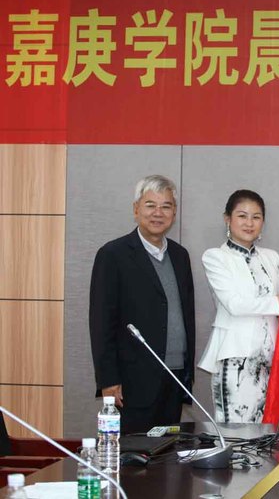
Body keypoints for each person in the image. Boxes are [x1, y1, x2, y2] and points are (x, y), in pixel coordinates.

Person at [89, 175, 195, 434]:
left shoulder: (180, 256)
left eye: (166, 206)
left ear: (174, 212)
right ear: (136, 209)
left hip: (175, 377)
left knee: (170, 453)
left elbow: (186, 316)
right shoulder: (113, 255)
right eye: (150, 205)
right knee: (134, 454)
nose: (158, 213)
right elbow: (101, 323)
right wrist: (108, 380)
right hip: (131, 383)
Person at [198, 189, 279, 423]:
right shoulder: (216, 257)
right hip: (236, 359)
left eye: (256, 217)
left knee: (268, 430)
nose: (249, 223)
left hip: (271, 357)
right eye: (242, 216)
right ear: (227, 219)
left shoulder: (270, 257)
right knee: (238, 431)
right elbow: (234, 304)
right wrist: (277, 302)